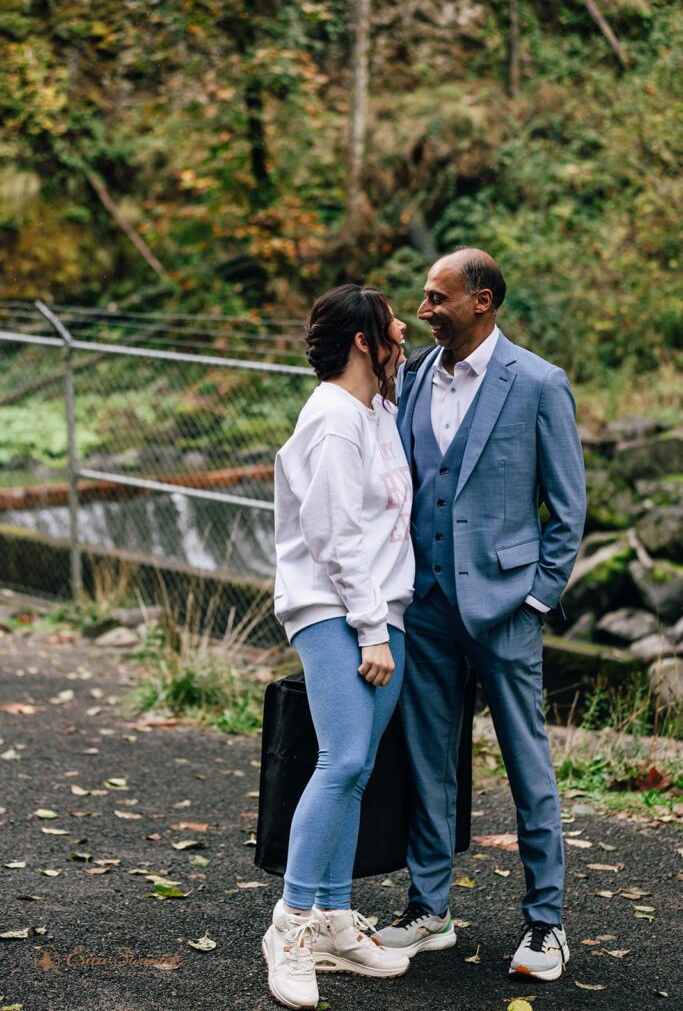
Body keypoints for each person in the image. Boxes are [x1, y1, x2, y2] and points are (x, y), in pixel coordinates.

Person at [374, 248, 586, 982]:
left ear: (482, 302)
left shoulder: (536, 382)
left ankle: (546, 925)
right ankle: (429, 910)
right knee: (428, 761)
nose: (425, 309)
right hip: (425, 605)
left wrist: (536, 596)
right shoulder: (413, 378)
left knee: (527, 764)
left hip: (505, 609)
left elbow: (567, 506)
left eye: (437, 298)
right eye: (425, 298)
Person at [263, 284, 415, 1009]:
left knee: (355, 770)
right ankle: (290, 925)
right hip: (336, 610)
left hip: (382, 609)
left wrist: (387, 615)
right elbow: (331, 535)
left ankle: (330, 920)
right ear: (363, 341)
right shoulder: (331, 419)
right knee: (345, 758)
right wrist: (372, 625)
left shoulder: (374, 410)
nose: (405, 335)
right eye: (394, 328)